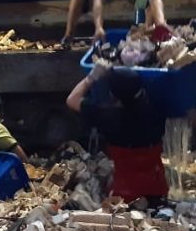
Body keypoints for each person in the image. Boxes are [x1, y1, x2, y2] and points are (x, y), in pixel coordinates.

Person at [66, 64, 168, 203]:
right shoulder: (156, 110)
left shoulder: (107, 116)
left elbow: (72, 100)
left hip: (123, 195)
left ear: (112, 94)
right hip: (157, 189)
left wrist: (91, 77)